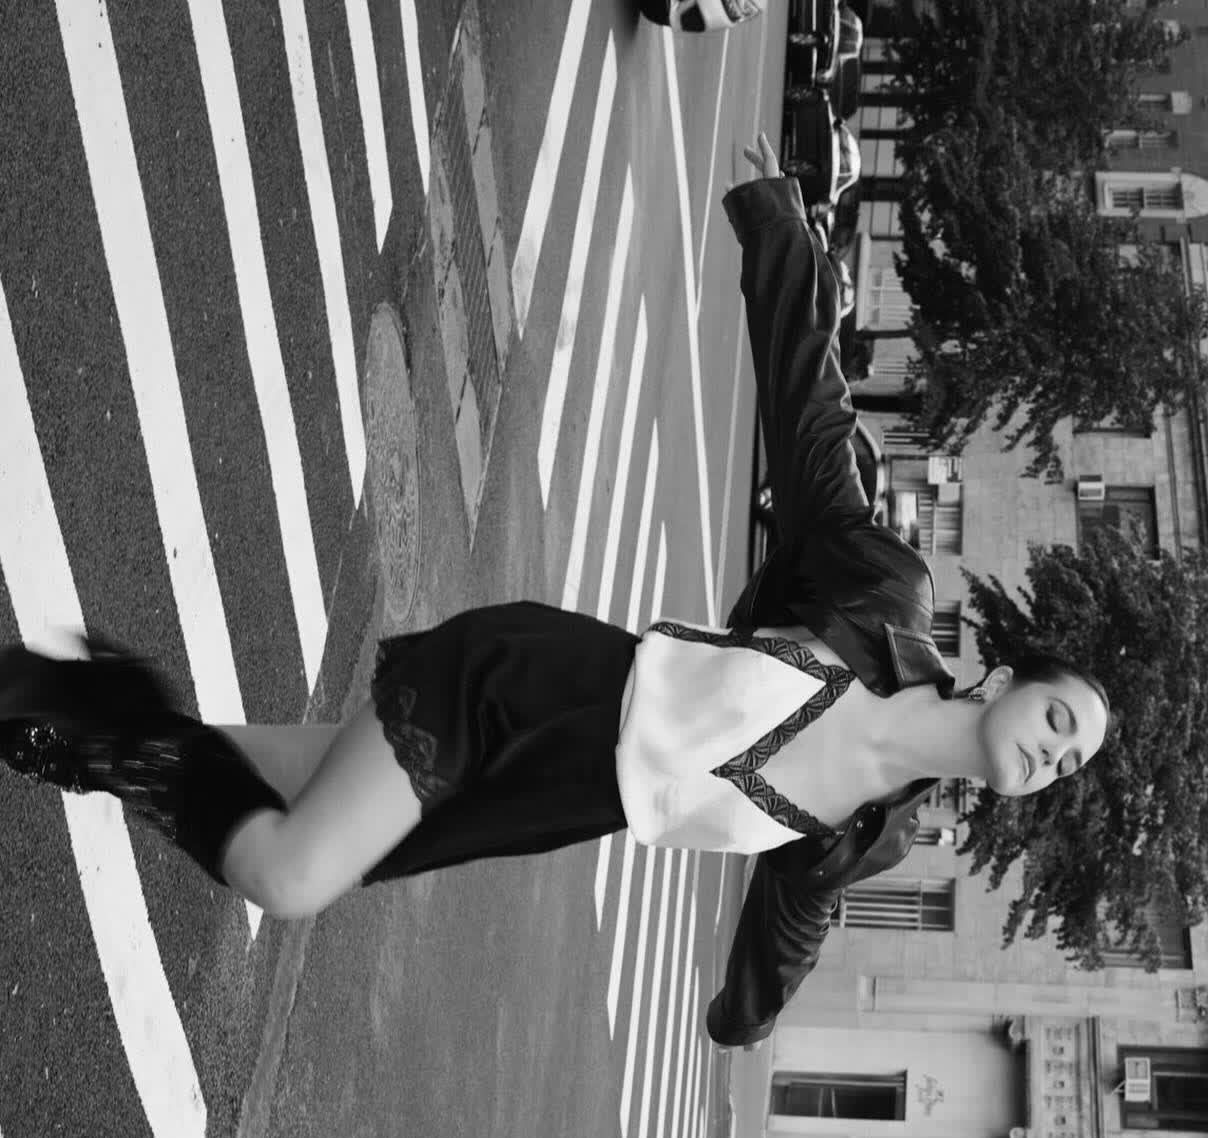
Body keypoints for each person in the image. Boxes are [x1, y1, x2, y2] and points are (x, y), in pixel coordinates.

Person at [0, 134, 1108, 1046]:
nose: (1051, 753)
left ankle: (66, 728)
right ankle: (101, 706)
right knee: (291, 874)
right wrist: (779, 227)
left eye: (1067, 764)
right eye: (1060, 720)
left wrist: (742, 1022)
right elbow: (813, 429)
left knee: (249, 774)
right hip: (531, 685)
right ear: (1010, 678)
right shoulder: (885, 600)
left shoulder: (873, 836)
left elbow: (789, 931)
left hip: (543, 803)